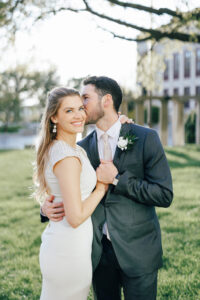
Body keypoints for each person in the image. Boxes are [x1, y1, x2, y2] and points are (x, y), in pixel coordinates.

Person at [41, 76, 173, 300]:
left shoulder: (144, 138)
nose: (81, 107)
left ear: (106, 100)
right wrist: (45, 209)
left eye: (85, 99)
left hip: (138, 250)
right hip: (95, 254)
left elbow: (164, 194)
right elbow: (66, 188)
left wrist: (118, 180)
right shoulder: (80, 148)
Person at [34, 87, 108, 300]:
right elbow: (75, 217)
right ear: (54, 117)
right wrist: (101, 188)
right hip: (68, 251)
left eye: (80, 108)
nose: (78, 115)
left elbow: (59, 195)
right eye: (68, 111)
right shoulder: (66, 156)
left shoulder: (70, 149)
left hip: (67, 245)